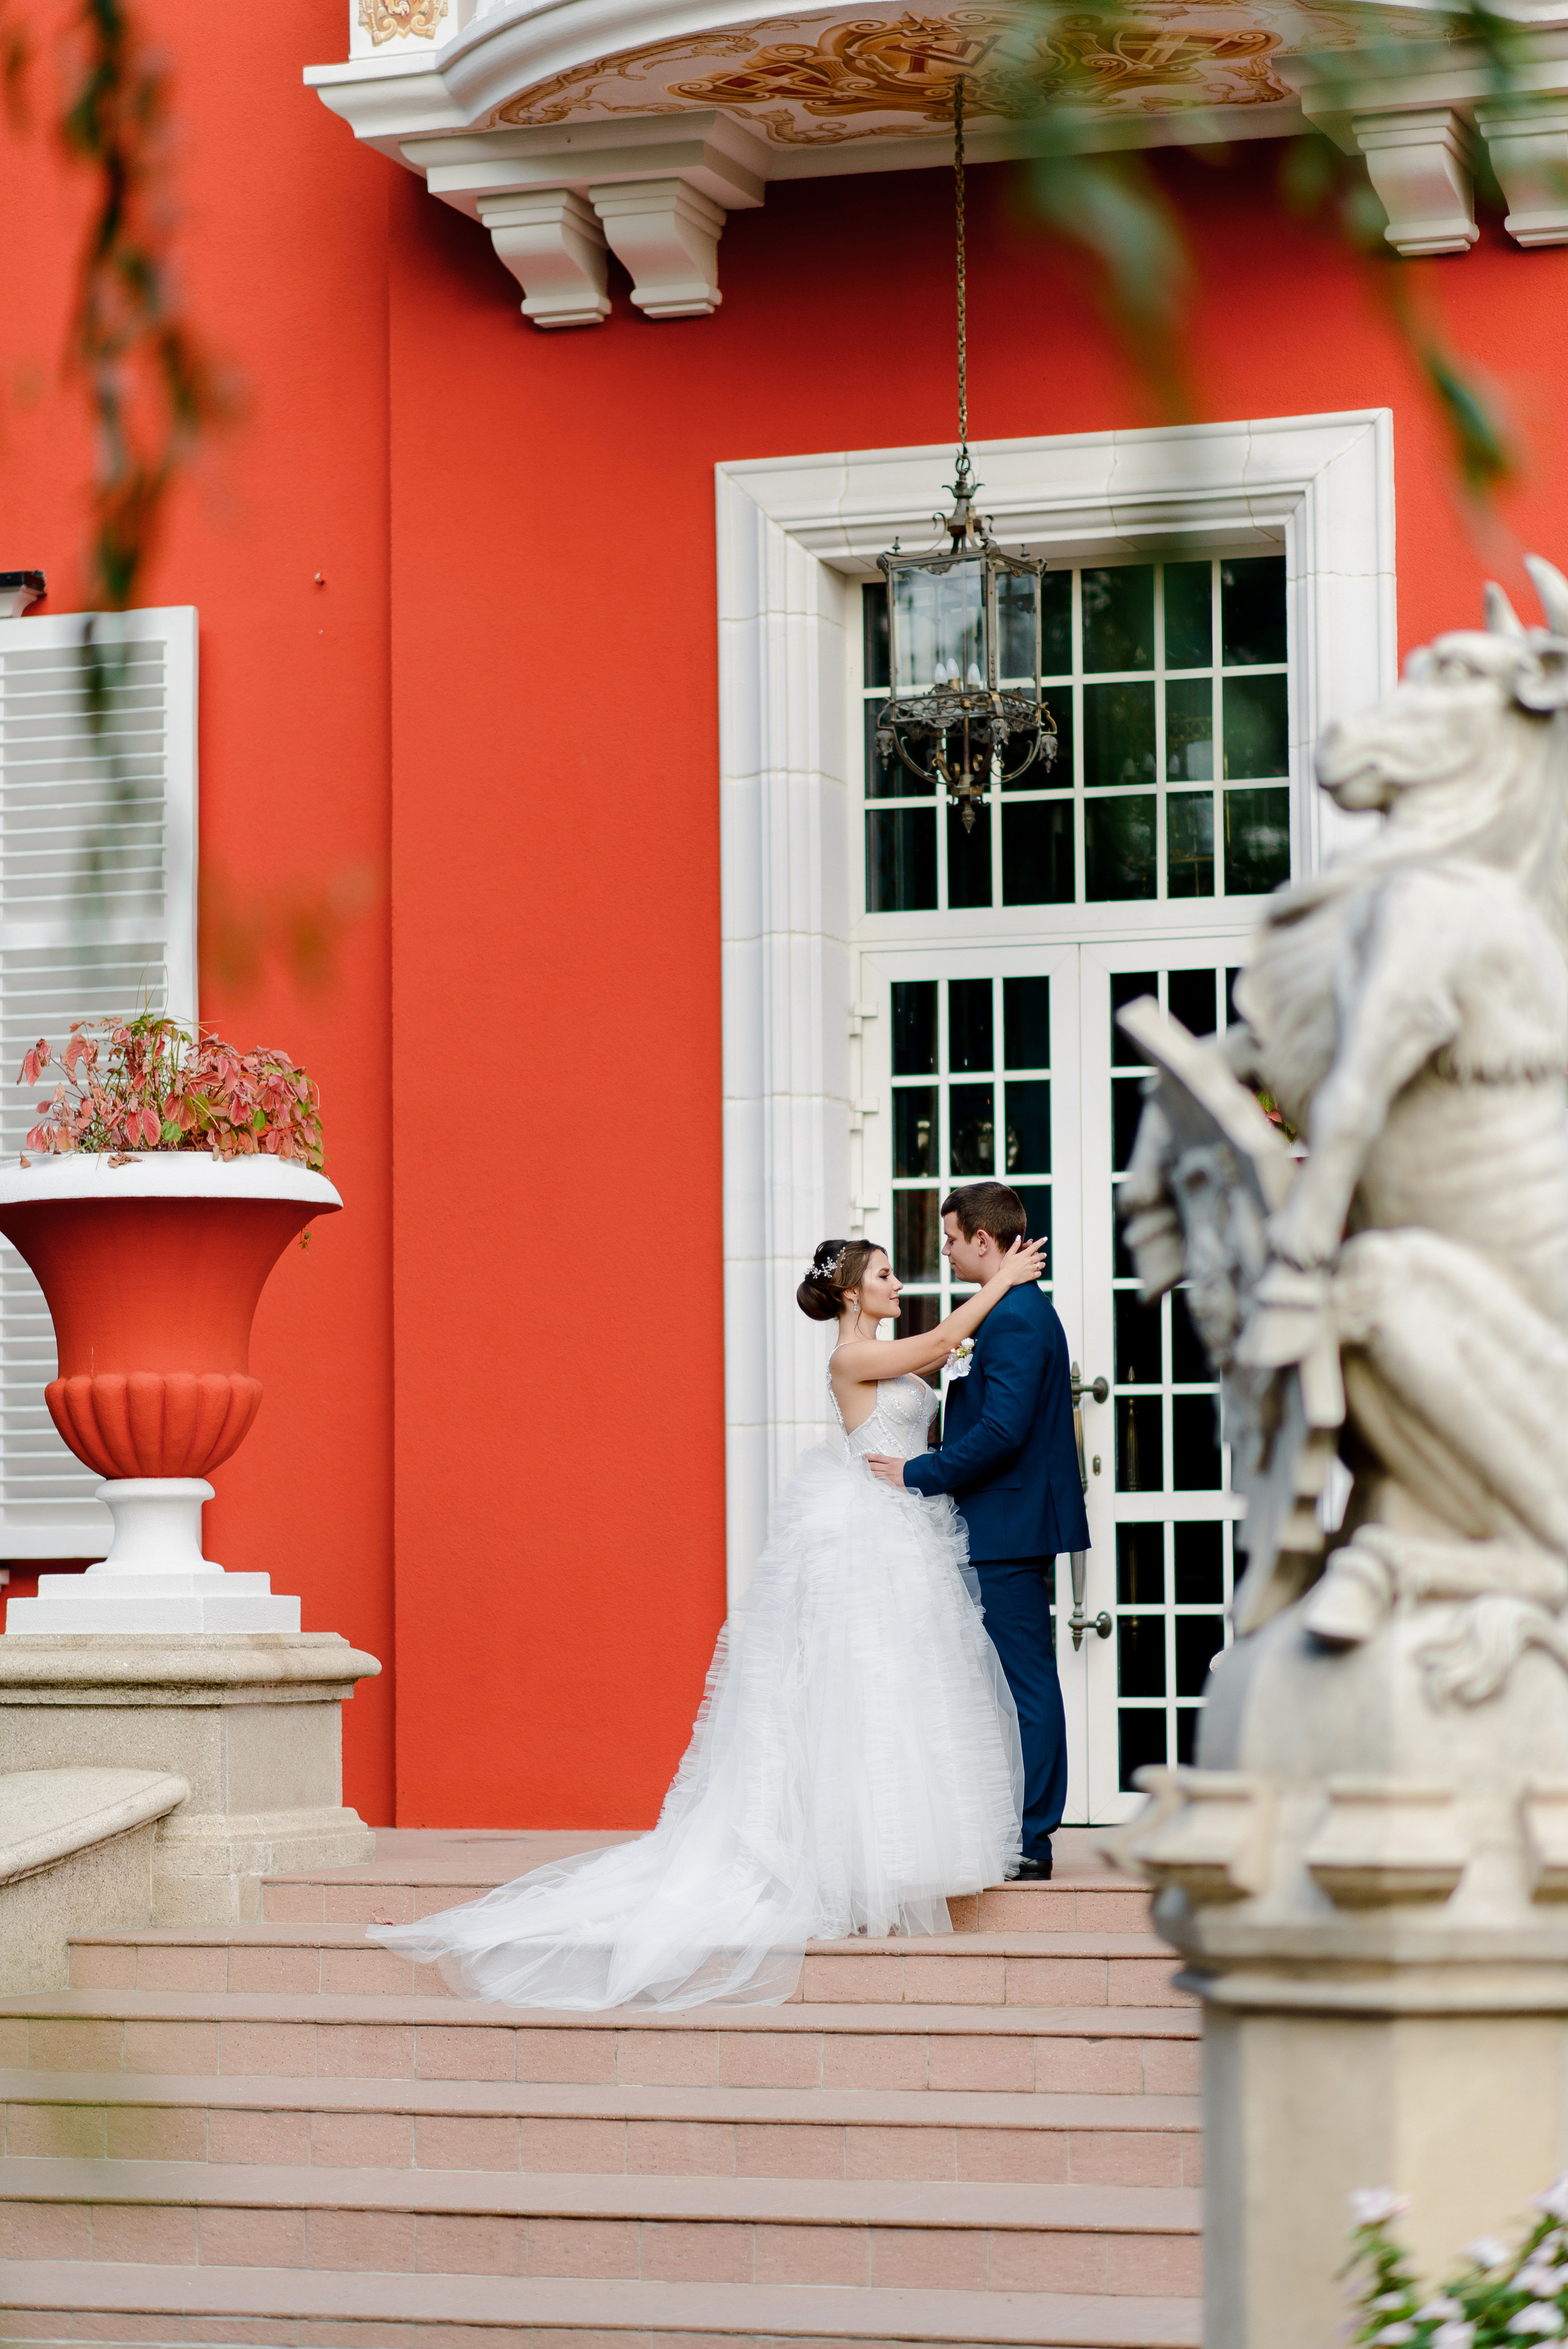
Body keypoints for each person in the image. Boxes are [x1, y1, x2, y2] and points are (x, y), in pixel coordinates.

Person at [367, 1231, 1042, 2012]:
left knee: (897, 1688)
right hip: (865, 1534)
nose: (899, 1284)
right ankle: (849, 1861)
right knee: (855, 1683)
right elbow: (942, 1340)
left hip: (902, 1527)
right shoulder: (849, 1359)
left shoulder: (889, 1353)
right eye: (886, 1275)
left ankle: (897, 1854)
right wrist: (1005, 1281)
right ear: (853, 1294)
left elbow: (937, 1359)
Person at [865, 1180, 1088, 1881]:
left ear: (983, 1241)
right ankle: (1010, 1826)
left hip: (1008, 1524)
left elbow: (1001, 1430)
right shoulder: (1005, 1311)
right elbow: (946, 1358)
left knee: (1024, 1684)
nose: (945, 1250)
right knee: (998, 1681)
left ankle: (1032, 1839)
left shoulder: (1018, 1318)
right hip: (996, 1522)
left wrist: (917, 1472)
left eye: (952, 1239)